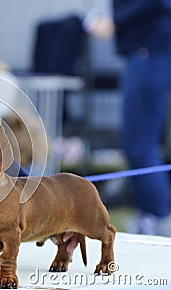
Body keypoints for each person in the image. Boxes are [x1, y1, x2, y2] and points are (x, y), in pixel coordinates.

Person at [86, 0, 171, 235]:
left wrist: (114, 20)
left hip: (151, 51)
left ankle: (157, 219)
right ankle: (151, 216)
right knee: (138, 143)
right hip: (146, 51)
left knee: (140, 143)